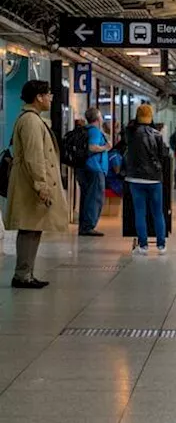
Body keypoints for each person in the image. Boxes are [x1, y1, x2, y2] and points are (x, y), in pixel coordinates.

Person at [5, 80, 69, 289]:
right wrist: (41, 185)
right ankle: (22, 275)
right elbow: (35, 156)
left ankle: (26, 273)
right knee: (29, 228)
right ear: (38, 97)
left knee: (33, 228)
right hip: (30, 186)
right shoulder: (31, 121)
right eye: (48, 94)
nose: (51, 98)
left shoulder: (33, 119)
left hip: (30, 183)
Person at [125, 104, 168, 254]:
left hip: (135, 179)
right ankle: (161, 245)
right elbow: (163, 155)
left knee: (139, 212)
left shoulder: (130, 132)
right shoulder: (157, 134)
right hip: (154, 179)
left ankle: (143, 246)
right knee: (158, 212)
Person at [76, 107, 111, 236]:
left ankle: (84, 225)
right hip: (95, 168)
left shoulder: (86, 130)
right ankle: (88, 226)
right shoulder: (95, 131)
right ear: (97, 119)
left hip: (84, 168)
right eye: (100, 116)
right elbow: (92, 147)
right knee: (95, 198)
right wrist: (105, 147)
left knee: (86, 197)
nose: (102, 118)